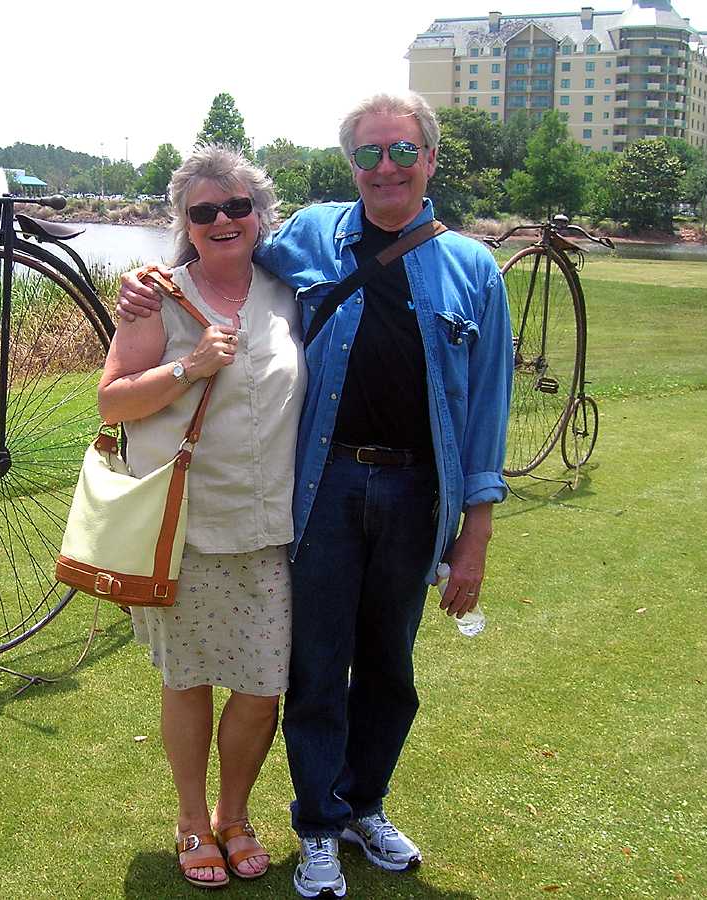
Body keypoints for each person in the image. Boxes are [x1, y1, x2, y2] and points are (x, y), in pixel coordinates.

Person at [117, 91, 513, 898]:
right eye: (368, 154)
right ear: (350, 165)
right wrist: (144, 281)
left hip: (416, 492)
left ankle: (364, 806)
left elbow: (487, 411)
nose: (386, 167)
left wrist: (475, 535)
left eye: (402, 151)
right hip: (322, 487)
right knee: (317, 666)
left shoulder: (474, 269)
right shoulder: (312, 236)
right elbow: (220, 252)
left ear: (430, 158)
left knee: (390, 669)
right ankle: (319, 825)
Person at [97, 145, 307, 890]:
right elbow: (112, 401)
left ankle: (234, 814)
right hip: (183, 529)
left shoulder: (290, 291)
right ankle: (192, 820)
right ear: (184, 223)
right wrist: (190, 367)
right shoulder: (158, 297)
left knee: (261, 684)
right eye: (204, 211)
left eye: (237, 206)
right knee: (187, 680)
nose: (223, 220)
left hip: (270, 530)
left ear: (260, 215)